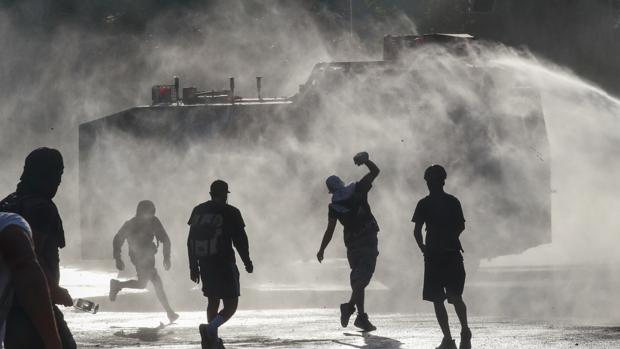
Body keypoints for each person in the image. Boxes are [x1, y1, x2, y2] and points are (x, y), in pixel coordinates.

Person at [0, 147, 76, 349]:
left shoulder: (7, 203)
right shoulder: (42, 208)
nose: (59, 181)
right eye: (57, 173)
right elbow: (32, 257)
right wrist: (54, 289)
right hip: (33, 305)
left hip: (9, 306)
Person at [317, 151, 380, 332]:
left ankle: (359, 315)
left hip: (352, 245)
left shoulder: (334, 206)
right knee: (362, 280)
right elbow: (376, 172)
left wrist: (322, 249)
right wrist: (367, 161)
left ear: (330, 190)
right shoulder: (358, 189)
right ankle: (352, 309)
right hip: (368, 240)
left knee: (359, 280)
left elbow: (330, 230)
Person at [187, 180, 253, 349]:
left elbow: (191, 240)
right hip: (224, 263)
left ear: (210, 194)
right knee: (231, 305)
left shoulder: (198, 210)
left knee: (213, 301)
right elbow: (240, 241)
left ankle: (213, 342)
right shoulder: (231, 212)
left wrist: (193, 266)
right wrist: (247, 261)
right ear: (225, 194)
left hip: (205, 263)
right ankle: (210, 329)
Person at [411, 165, 471, 349]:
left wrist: (424, 248)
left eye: (430, 180)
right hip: (451, 253)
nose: (429, 183)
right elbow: (461, 226)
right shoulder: (452, 201)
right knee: (455, 297)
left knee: (438, 299)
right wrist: (450, 238)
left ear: (436, 181)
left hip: (434, 256)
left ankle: (448, 339)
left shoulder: (424, 204)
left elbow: (417, 231)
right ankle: (464, 330)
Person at [109, 200, 179, 323]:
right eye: (147, 213)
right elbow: (117, 239)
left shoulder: (154, 221)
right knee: (156, 282)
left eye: (151, 213)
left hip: (148, 255)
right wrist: (118, 258)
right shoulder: (131, 224)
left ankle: (117, 285)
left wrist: (166, 257)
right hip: (138, 256)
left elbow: (165, 239)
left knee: (143, 284)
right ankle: (169, 312)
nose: (149, 216)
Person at [0, 212, 62, 349]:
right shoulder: (8, 225)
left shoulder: (9, 208)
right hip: (23, 311)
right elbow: (27, 268)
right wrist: (53, 343)